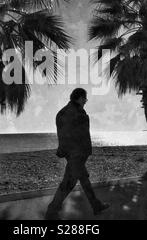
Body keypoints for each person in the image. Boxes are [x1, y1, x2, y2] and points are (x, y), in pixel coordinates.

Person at [45, 88, 110, 220]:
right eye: (85, 98)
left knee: (83, 179)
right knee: (68, 183)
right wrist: (81, 152)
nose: (86, 101)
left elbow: (62, 134)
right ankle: (51, 212)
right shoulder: (77, 113)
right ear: (80, 98)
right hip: (77, 153)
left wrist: (64, 150)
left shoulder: (62, 112)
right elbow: (80, 135)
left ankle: (96, 205)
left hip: (72, 153)